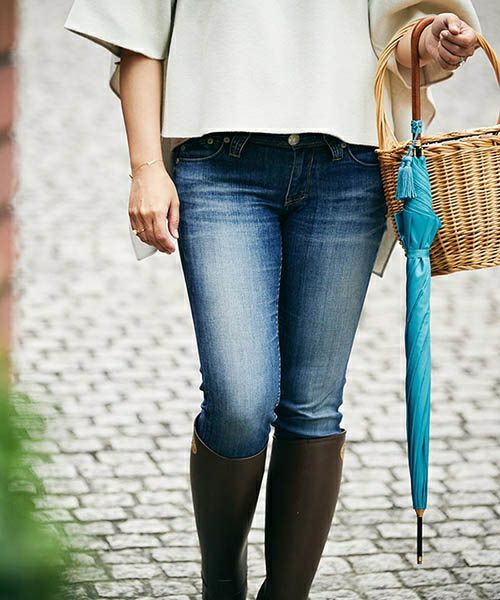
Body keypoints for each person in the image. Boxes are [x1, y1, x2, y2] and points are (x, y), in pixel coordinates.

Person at [64, 2, 481, 599]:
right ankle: (222, 586)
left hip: (347, 164)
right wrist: (146, 166)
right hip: (220, 163)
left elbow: (399, 32)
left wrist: (433, 38)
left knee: (314, 406)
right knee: (239, 400)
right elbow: (137, 30)